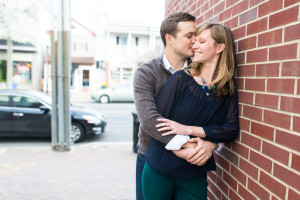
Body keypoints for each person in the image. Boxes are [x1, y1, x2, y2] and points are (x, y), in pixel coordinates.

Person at [142, 23, 239, 200]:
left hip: (194, 173)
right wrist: (181, 148)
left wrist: (202, 138)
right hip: (160, 169)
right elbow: (156, 123)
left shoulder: (227, 87)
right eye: (194, 41)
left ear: (220, 47)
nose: (194, 46)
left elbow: (230, 129)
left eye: (201, 41)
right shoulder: (180, 80)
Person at [133, 12, 219, 200]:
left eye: (196, 36)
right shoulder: (146, 73)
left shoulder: (205, 72)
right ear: (169, 39)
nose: (194, 41)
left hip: (191, 165)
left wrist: (210, 143)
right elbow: (149, 120)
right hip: (151, 159)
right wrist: (189, 143)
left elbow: (216, 117)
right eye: (189, 36)